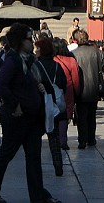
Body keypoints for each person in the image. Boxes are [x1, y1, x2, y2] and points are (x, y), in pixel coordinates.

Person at [0, 23, 61, 203]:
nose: (31, 42)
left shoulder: (29, 60)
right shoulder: (13, 60)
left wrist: (37, 86)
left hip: (32, 118)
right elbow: (0, 84)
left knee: (34, 158)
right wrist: (14, 104)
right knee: (6, 154)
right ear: (19, 41)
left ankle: (38, 195)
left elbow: (26, 83)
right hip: (16, 118)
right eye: (28, 39)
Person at [34, 37, 67, 176]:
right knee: (54, 139)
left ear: (41, 50)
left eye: (37, 48)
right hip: (54, 106)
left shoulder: (35, 66)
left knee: (35, 140)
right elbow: (63, 84)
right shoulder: (57, 66)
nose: (35, 51)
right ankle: (58, 166)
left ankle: (35, 167)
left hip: (39, 107)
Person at [72, 30, 104, 149]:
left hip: (80, 89)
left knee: (81, 116)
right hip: (94, 88)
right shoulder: (97, 52)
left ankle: (82, 140)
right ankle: (91, 139)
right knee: (92, 115)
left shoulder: (73, 54)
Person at [53, 37, 82, 151]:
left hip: (53, 90)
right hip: (68, 90)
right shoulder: (71, 61)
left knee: (53, 113)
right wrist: (77, 91)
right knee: (64, 116)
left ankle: (54, 139)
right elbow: (76, 78)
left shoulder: (52, 59)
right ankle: (63, 140)